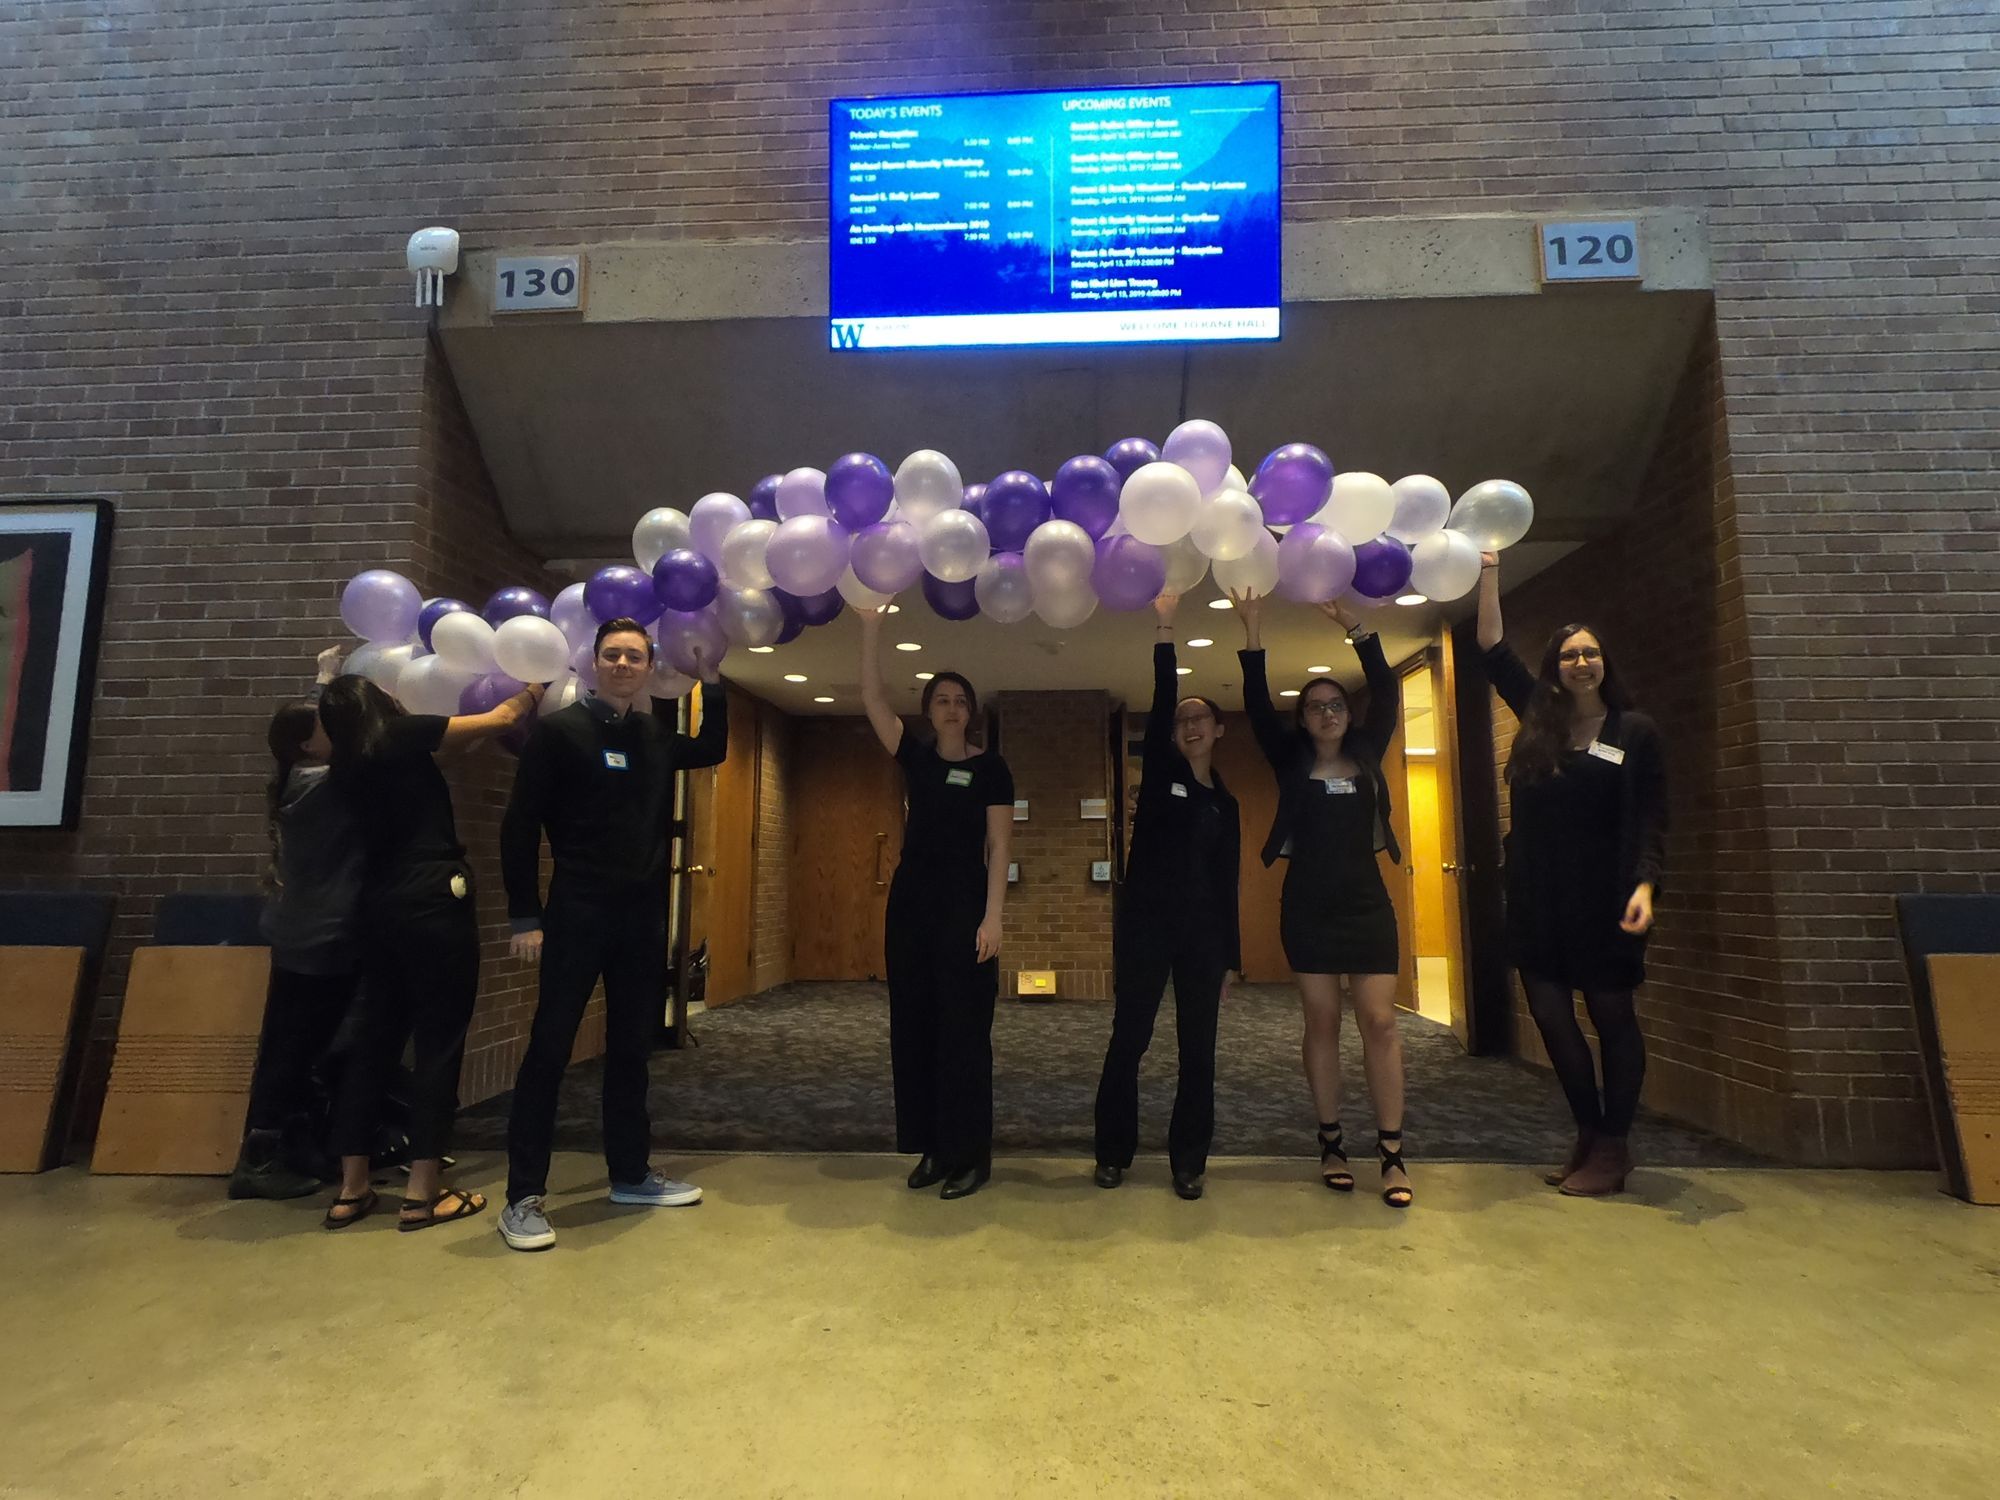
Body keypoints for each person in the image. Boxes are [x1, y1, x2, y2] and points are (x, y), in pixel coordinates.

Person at [494, 618, 728, 1252]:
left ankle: (629, 1173)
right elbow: (520, 829)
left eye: (634, 656)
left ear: (649, 668)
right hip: (576, 912)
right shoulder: (558, 734)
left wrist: (712, 680)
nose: (624, 664)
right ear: (594, 663)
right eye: (612, 655)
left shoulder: (654, 734)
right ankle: (522, 1197)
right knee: (551, 1048)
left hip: (640, 917)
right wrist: (526, 916)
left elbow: (710, 749)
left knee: (631, 1050)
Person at [315, 668, 541, 1231]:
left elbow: (441, 761)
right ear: (378, 705)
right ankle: (422, 1194)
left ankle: (351, 1190)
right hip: (433, 899)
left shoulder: (345, 760)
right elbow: (503, 717)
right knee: (440, 1042)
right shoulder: (400, 732)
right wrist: (537, 686)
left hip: (376, 906)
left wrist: (325, 680)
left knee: (374, 1044)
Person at [1475, 552, 1667, 1197]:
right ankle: (1589, 1133)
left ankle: (1614, 1144)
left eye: (1590, 654)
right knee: (1554, 1020)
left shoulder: (1633, 731)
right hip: (1537, 895)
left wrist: (1645, 885)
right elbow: (1492, 648)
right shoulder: (1539, 720)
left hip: (1606, 898)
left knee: (1613, 1019)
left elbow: (1649, 817)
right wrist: (1488, 574)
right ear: (1555, 668)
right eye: (1567, 656)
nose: (1580, 663)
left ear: (1604, 663)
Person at [1233, 588, 1413, 1208]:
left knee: (1381, 1024)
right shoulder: (1290, 761)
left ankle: (1391, 1152)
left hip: (1367, 905)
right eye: (1315, 707)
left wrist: (1355, 627)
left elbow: (1386, 691)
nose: (1328, 713)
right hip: (1306, 905)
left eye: (1335, 704)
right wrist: (1253, 627)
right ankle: (1332, 1142)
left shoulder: (1367, 752)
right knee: (1323, 1021)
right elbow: (1257, 708)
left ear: (1346, 713)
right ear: (1304, 719)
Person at [856, 605, 1013, 1200]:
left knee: (965, 1033)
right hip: (913, 903)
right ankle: (931, 1148)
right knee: (914, 1027)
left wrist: (994, 916)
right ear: (929, 711)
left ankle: (971, 1155)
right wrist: (872, 625)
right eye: (941, 699)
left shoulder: (992, 769)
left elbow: (999, 846)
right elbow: (872, 698)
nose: (951, 707)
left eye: (959, 699)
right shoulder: (916, 758)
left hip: (967, 904)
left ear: (971, 712)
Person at [1093, 592, 1240, 1200]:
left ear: (1218, 730)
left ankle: (1188, 1161)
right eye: (1182, 721)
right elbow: (1158, 701)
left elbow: (1229, 882)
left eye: (1199, 718)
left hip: (1203, 939)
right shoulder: (1161, 774)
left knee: (1197, 1051)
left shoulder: (1226, 804)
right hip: (1147, 928)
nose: (1189, 726)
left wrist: (1233, 956)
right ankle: (1112, 1153)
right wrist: (1164, 626)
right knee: (1130, 1037)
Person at [229, 647, 364, 1200]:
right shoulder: (318, 783)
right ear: (308, 745)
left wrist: (324, 679)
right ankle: (261, 1161)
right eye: (324, 725)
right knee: (293, 1048)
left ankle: (302, 1146)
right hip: (316, 940)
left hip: (311, 936)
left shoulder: (303, 775)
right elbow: (371, 748)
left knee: (306, 1045)